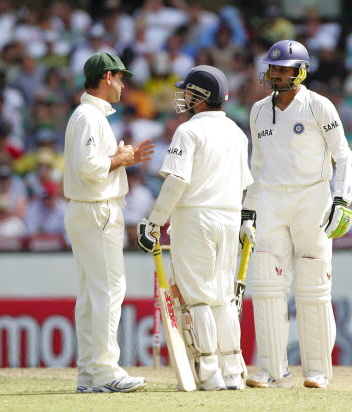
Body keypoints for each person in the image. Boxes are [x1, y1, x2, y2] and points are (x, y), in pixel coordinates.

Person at [242, 40, 352, 389]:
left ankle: (317, 371)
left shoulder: (319, 106)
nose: (274, 74)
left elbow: (344, 155)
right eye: (272, 68)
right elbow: (257, 164)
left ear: (300, 71)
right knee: (265, 284)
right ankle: (272, 369)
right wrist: (248, 209)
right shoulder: (259, 110)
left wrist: (341, 199)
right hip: (272, 201)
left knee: (313, 287)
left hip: (313, 197)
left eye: (282, 69)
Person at [136, 65, 252, 391]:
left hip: (195, 217)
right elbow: (244, 185)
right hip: (229, 217)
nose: (183, 97)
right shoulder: (237, 133)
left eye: (187, 91)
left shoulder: (188, 131)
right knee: (223, 297)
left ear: (200, 97)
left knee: (199, 297)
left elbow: (177, 181)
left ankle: (210, 373)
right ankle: (233, 371)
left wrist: (155, 220)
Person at [63, 51, 154, 394]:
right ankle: (104, 371)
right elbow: (89, 167)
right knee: (108, 291)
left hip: (89, 209)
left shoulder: (89, 115)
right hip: (97, 210)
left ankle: (89, 373)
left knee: (91, 295)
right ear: (107, 77)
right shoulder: (89, 115)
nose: (123, 85)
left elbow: (90, 164)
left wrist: (118, 158)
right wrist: (122, 158)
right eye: (120, 78)